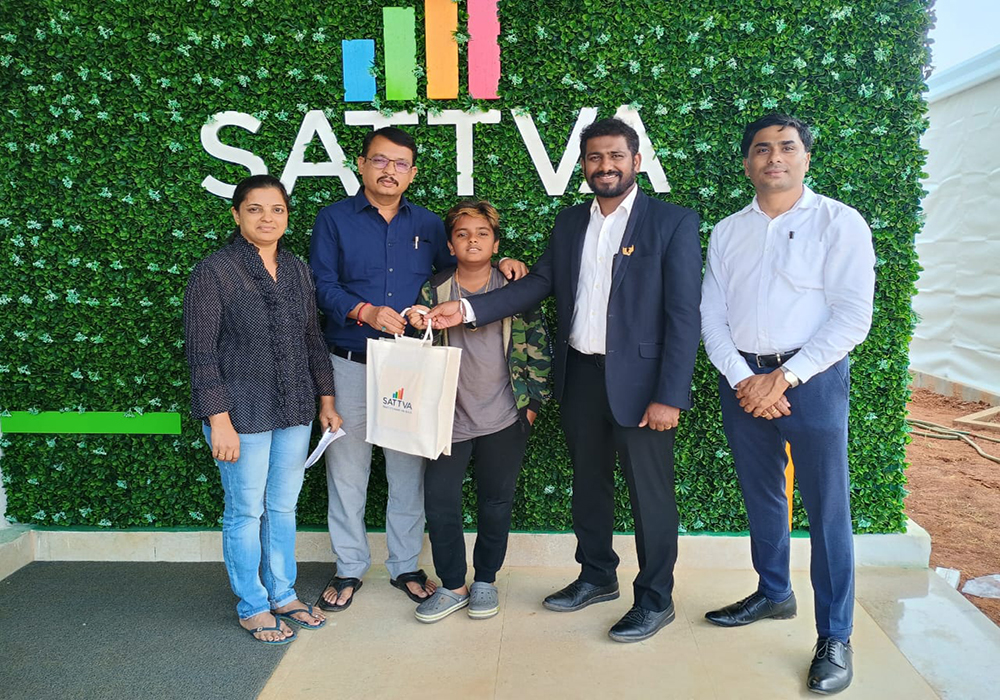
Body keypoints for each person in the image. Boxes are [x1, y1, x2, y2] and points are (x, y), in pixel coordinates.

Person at [427, 117, 702, 642]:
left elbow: (685, 316)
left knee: (650, 495)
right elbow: (536, 285)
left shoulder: (672, 222)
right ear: (583, 166)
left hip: (643, 385)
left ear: (636, 161)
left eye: (615, 156)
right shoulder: (571, 221)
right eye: (595, 157)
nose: (606, 166)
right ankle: (597, 576)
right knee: (589, 485)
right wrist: (465, 310)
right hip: (581, 376)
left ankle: (655, 599)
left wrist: (670, 394)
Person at [309, 127, 527, 611]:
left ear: (411, 173)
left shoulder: (428, 224)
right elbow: (320, 284)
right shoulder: (333, 219)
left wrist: (506, 260)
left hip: (410, 369)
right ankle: (349, 567)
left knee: (408, 474)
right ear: (361, 164)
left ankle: (405, 565)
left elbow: (467, 262)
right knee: (347, 473)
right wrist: (363, 311)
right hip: (350, 362)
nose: (390, 171)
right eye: (380, 160)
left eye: (400, 163)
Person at [700, 113, 876, 694]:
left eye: (786, 147)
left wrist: (784, 377)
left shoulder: (838, 222)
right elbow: (711, 316)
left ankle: (835, 635)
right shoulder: (728, 231)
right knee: (762, 493)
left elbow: (852, 316)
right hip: (742, 379)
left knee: (827, 508)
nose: (773, 157)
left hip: (812, 377)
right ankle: (774, 592)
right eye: (761, 149)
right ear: (746, 163)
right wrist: (745, 378)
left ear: (806, 157)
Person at [183, 174, 342, 644]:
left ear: (287, 216)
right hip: (240, 414)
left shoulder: (296, 269)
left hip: (294, 409)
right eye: (255, 209)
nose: (267, 218)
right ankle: (252, 605)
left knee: (282, 507)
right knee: (246, 511)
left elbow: (312, 339)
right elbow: (201, 353)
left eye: (277, 209)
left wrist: (326, 400)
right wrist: (219, 420)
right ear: (236, 214)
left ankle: (283, 594)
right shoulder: (214, 271)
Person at [404, 200, 551, 623]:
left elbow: (538, 345)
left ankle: (486, 579)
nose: (473, 240)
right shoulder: (435, 289)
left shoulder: (514, 287)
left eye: (483, 234)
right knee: (440, 502)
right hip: (448, 420)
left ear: (496, 243)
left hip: (504, 416)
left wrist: (531, 407)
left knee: (495, 501)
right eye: (463, 234)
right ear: (450, 245)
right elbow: (418, 348)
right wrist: (416, 320)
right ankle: (453, 585)